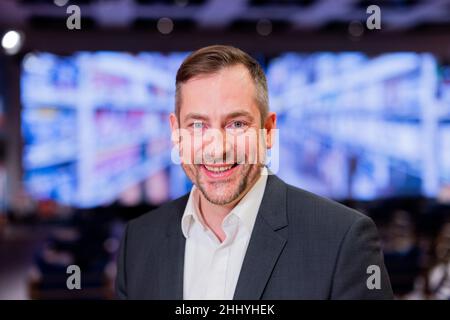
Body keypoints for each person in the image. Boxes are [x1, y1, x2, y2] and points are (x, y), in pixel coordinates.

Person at [115, 45, 393, 299]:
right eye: (197, 126)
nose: (217, 149)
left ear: (269, 131)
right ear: (176, 133)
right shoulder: (139, 242)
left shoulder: (341, 239)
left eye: (236, 124)